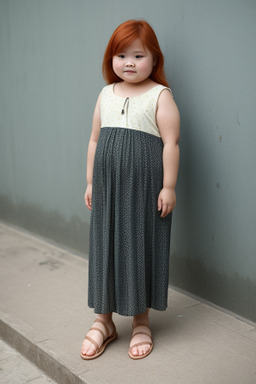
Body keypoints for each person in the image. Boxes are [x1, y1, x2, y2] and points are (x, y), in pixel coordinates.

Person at [81, 19, 180, 360]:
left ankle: (141, 321)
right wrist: (92, 180)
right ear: (111, 59)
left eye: (138, 55)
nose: (128, 62)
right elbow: (95, 139)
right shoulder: (106, 94)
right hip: (108, 189)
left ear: (154, 59)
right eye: (120, 55)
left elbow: (171, 143)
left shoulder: (159, 95)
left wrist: (168, 186)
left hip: (144, 191)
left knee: (140, 245)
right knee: (105, 245)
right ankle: (103, 320)